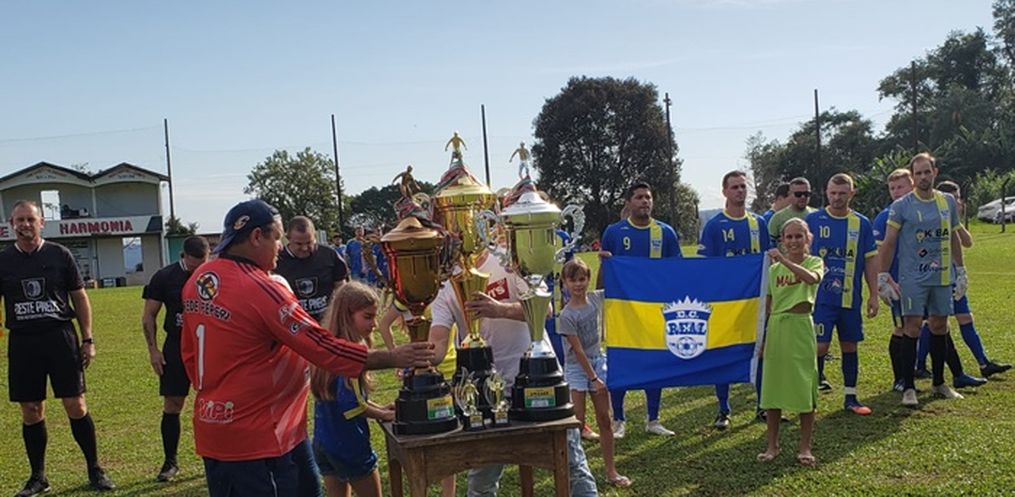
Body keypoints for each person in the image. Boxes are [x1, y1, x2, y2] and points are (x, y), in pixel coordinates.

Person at [180, 199, 434, 497]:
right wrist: (392, 357)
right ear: (257, 236)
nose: (281, 247)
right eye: (277, 238)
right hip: (261, 438)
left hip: (218, 428)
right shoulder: (259, 287)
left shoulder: (198, 279)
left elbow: (189, 353)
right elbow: (321, 347)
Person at [427, 238, 598, 497]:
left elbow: (545, 308)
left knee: (572, 462)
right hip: (488, 394)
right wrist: (420, 358)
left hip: (538, 380)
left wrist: (499, 309)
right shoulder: (444, 284)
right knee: (482, 479)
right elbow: (439, 342)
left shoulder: (508, 259)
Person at [1, 200, 116, 496]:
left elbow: (80, 297)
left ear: (42, 223)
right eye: (19, 220)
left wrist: (87, 339)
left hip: (60, 337)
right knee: (31, 409)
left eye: (30, 219)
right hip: (23, 341)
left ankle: (95, 469)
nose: (25, 225)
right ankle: (38, 477)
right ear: (11, 225)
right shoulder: (4, 260)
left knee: (75, 405)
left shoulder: (59, 254)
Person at [877, 153, 967, 407]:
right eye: (918, 173)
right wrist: (882, 276)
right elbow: (889, 243)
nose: (924, 177)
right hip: (913, 277)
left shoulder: (947, 201)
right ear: (913, 176)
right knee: (912, 327)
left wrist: (961, 270)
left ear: (935, 172)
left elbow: (953, 236)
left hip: (942, 274)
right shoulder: (901, 206)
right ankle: (908, 387)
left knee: (940, 325)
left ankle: (939, 382)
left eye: (927, 172)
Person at [599, 181, 678, 438]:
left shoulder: (665, 232)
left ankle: (653, 419)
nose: (645, 201)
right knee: (621, 360)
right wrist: (601, 297)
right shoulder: (614, 232)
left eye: (648, 197)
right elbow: (605, 270)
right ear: (629, 202)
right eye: (639, 197)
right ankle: (619, 419)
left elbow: (676, 271)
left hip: (655, 309)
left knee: (655, 361)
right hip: (622, 310)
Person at [912, 181, 1009, 381]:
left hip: (953, 276)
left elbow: (967, 241)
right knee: (934, 322)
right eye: (956, 198)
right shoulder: (933, 217)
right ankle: (919, 365)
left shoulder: (950, 218)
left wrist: (954, 220)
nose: (959, 201)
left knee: (964, 318)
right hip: (936, 277)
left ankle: (984, 363)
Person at [698, 171, 771, 429]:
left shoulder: (758, 223)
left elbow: (767, 263)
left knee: (759, 351)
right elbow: (706, 268)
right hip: (725, 302)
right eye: (735, 187)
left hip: (754, 301)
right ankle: (723, 410)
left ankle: (763, 405)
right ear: (725, 191)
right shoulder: (715, 226)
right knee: (724, 353)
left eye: (743, 186)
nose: (740, 191)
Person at [804, 173, 879, 415]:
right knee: (820, 346)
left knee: (850, 345)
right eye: (833, 193)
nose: (837, 198)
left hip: (849, 298)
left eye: (842, 193)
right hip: (820, 299)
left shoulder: (861, 223)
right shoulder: (813, 220)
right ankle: (809, 396)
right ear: (826, 193)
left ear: (851, 194)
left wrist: (874, 294)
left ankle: (851, 397)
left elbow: (870, 261)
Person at [310, 282, 394, 497]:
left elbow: (345, 398)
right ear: (347, 316)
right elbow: (352, 405)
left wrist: (380, 407)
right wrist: (383, 415)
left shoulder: (328, 347)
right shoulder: (351, 355)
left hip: (323, 443)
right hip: (348, 444)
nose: (374, 324)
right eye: (368, 317)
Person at [141, 235, 210, 482]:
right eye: (193, 264)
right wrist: (153, 350)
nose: (197, 269)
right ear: (184, 256)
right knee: (173, 403)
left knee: (214, 404)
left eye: (203, 263)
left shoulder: (214, 275)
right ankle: (170, 462)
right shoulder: (165, 277)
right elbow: (149, 315)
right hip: (176, 346)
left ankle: (215, 459)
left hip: (209, 346)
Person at [559, 258, 631, 488]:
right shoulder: (566, 315)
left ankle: (611, 471)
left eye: (582, 279)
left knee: (604, 419)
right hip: (577, 369)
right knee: (576, 423)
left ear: (588, 280)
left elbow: (611, 284)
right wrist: (594, 378)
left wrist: (605, 263)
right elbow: (578, 350)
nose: (578, 284)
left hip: (597, 361)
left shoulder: (596, 299)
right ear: (565, 282)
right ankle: (575, 475)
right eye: (573, 280)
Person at [758, 218, 823, 467]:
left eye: (798, 236)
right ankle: (772, 445)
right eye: (789, 237)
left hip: (801, 327)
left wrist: (783, 260)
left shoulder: (814, 262)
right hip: (777, 328)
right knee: (773, 388)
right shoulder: (773, 271)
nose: (794, 241)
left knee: (805, 386)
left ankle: (805, 447)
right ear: (782, 240)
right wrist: (762, 339)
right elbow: (767, 305)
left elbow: (811, 279)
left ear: (808, 238)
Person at [275, 216, 349, 322]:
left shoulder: (329, 255)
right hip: (293, 323)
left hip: (326, 321)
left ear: (315, 236)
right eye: (299, 244)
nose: (304, 248)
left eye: (309, 242)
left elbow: (341, 286)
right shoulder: (277, 259)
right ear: (288, 238)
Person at [768, 177, 817, 244]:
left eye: (806, 194)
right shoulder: (777, 218)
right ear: (790, 194)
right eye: (798, 194)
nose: (803, 197)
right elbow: (770, 244)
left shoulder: (817, 215)